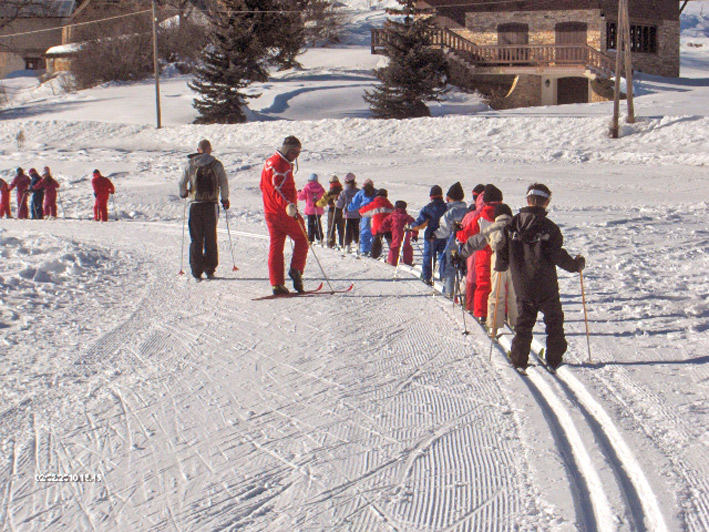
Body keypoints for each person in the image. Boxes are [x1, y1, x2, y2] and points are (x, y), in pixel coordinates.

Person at [496, 183, 585, 370]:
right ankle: (554, 358)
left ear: (528, 200)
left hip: (522, 283)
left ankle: (519, 360)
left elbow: (502, 249)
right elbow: (557, 254)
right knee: (554, 321)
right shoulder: (549, 227)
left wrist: (501, 265)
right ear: (545, 203)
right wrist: (576, 265)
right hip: (546, 284)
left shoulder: (511, 225)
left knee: (524, 322)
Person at [260, 135, 309, 295]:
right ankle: (296, 269)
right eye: (295, 153)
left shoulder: (269, 162)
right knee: (302, 239)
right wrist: (288, 206)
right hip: (284, 212)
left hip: (270, 212)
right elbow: (277, 190)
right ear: (287, 150)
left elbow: (263, 186)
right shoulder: (281, 166)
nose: (296, 157)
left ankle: (277, 284)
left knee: (276, 246)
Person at [458, 202, 517, 334]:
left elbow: (475, 242)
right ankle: (515, 323)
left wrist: (462, 255)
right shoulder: (517, 227)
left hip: (498, 264)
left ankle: (493, 327)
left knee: (496, 294)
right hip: (515, 265)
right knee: (514, 295)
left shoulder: (493, 227)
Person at [178, 139, 230, 280]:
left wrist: (184, 193)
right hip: (211, 205)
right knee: (210, 237)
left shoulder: (191, 163)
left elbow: (181, 183)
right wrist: (224, 199)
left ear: (198, 149)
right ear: (210, 149)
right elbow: (224, 183)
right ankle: (210, 268)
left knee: (196, 238)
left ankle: (196, 270)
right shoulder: (216, 164)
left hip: (195, 204)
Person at [455, 184, 503, 322]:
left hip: (483, 254)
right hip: (501, 253)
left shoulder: (480, 216)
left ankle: (481, 313)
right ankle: (501, 314)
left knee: (483, 284)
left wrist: (458, 231)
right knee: (500, 284)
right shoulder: (504, 213)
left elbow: (466, 235)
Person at [434, 182, 467, 297]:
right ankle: (464, 291)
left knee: (450, 266)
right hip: (466, 244)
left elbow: (444, 230)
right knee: (464, 268)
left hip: (451, 242)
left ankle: (449, 291)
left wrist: (434, 235)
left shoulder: (449, 212)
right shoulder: (467, 211)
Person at [410, 185, 447, 286]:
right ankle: (444, 277)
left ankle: (427, 277)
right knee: (443, 257)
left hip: (431, 235)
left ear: (431, 197)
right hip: (444, 235)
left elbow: (421, 222)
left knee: (429, 256)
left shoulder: (428, 208)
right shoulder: (446, 207)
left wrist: (412, 227)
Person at [458, 184, 486, 309]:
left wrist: (457, 232)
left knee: (471, 279)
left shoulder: (472, 215)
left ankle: (469, 306)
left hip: (472, 254)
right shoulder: (500, 214)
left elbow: (462, 235)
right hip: (494, 255)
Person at [359, 188, 394, 259]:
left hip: (377, 227)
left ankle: (374, 256)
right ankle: (394, 256)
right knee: (391, 242)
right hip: (388, 226)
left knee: (376, 242)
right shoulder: (390, 205)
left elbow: (362, 212)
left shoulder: (374, 204)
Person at [380, 200, 417, 266]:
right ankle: (408, 261)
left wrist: (381, 231)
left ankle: (392, 261)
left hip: (396, 232)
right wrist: (414, 235)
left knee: (395, 246)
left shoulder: (392, 215)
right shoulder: (408, 217)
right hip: (406, 233)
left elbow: (385, 223)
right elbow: (414, 226)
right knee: (407, 246)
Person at [347, 178, 376, 256]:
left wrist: (348, 208)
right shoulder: (376, 192)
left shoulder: (361, 193)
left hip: (365, 213)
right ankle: (374, 249)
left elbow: (354, 203)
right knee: (375, 232)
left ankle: (364, 249)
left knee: (364, 231)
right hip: (375, 214)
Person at [297, 173, 326, 244]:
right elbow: (324, 196)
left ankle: (310, 238)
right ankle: (319, 237)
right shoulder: (320, 188)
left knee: (310, 224)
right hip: (318, 209)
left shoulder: (307, 188)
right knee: (318, 223)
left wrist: (298, 193)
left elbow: (301, 197)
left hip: (310, 209)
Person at [317, 174, 344, 248]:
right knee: (341, 227)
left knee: (331, 227)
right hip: (341, 210)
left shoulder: (329, 193)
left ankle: (331, 243)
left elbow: (322, 202)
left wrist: (316, 203)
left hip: (332, 210)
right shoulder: (342, 191)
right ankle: (343, 243)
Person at [336, 173, 360, 253]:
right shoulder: (358, 191)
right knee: (356, 229)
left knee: (348, 230)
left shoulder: (344, 192)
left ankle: (347, 245)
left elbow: (339, 205)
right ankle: (357, 244)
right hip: (357, 214)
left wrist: (336, 202)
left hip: (347, 214)